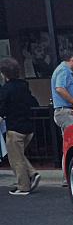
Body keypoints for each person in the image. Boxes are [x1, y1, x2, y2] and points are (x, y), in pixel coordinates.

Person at [0, 57, 41, 195]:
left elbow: (2, 110)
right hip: (28, 127)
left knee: (15, 159)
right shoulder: (24, 86)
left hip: (14, 128)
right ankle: (32, 174)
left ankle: (24, 186)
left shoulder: (6, 89)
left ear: (4, 73)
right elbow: (33, 102)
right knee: (18, 155)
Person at [51, 49, 73, 185]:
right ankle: (69, 176)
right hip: (67, 112)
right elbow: (59, 88)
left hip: (64, 111)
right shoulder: (64, 70)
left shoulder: (60, 70)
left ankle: (68, 176)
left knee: (69, 143)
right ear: (72, 59)